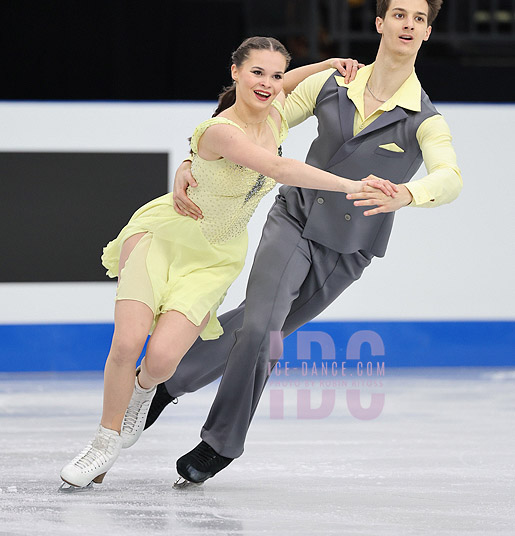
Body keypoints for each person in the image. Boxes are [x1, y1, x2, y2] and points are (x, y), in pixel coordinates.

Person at [139, 0, 463, 485]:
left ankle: (164, 386)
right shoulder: (333, 85)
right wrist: (194, 159)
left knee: (255, 328)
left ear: (427, 31)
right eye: (398, 14)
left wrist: (409, 193)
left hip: (349, 252)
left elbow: (449, 177)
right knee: (265, 331)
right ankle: (221, 443)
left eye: (418, 18)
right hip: (294, 219)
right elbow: (251, 121)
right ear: (379, 22)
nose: (407, 24)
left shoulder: (424, 118)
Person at [59, 37, 396, 489]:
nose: (268, 83)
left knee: (160, 363)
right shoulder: (220, 130)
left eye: (275, 75)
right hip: (165, 238)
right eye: (257, 72)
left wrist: (326, 63)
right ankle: (103, 444)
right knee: (128, 341)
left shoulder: (276, 113)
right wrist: (350, 184)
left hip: (215, 258)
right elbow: (279, 171)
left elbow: (289, 84)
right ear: (235, 71)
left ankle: (143, 391)